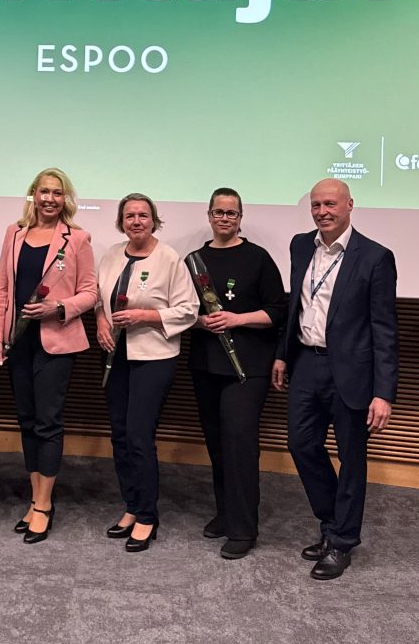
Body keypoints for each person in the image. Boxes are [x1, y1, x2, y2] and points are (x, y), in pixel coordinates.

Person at [272, 178, 398, 580]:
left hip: (352, 372)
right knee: (300, 444)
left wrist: (383, 393)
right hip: (306, 364)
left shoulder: (375, 257)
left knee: (351, 458)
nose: (322, 212)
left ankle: (342, 541)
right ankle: (332, 524)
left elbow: (384, 329)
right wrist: (282, 354)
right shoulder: (299, 245)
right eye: (316, 205)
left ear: (349, 205)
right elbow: (295, 305)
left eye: (330, 204)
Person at [0, 167, 97, 544]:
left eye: (57, 193)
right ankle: (35, 498)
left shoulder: (78, 238)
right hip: (18, 341)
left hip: (56, 343)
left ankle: (43, 504)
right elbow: (2, 289)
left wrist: (59, 307)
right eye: (44, 191)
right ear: (33, 195)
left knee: (47, 422)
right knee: (26, 420)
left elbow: (90, 292)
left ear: (65, 199)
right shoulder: (14, 233)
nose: (50, 199)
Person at [184, 187, 286, 559]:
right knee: (216, 443)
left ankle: (244, 529)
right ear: (209, 216)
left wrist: (236, 319)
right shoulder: (193, 260)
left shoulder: (258, 258)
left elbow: (278, 311)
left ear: (240, 218)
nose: (224, 218)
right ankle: (226, 512)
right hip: (206, 364)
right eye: (219, 212)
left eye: (231, 213)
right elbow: (180, 311)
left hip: (248, 368)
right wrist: (200, 322)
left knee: (239, 444)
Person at [96, 193, 197, 552]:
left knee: (139, 435)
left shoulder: (169, 259)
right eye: (129, 216)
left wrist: (146, 316)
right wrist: (101, 321)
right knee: (120, 435)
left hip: (153, 357)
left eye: (143, 215)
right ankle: (131, 504)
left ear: (154, 220)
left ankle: (147, 515)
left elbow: (189, 310)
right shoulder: (111, 255)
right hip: (116, 356)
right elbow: (100, 299)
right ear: (121, 222)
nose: (136, 221)